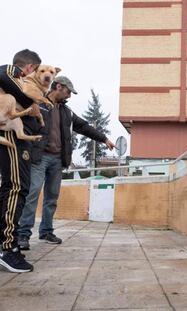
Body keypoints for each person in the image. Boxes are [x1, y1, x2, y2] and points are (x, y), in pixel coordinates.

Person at [17, 76, 115, 250]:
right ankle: (22, 234)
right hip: (38, 158)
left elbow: (84, 127)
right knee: (32, 194)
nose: (69, 96)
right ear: (59, 86)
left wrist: (104, 138)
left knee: (52, 198)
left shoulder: (67, 112)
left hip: (57, 160)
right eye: (68, 91)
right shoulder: (37, 104)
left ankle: (46, 231)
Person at [0, 49, 42, 273]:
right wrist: (30, 103)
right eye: (34, 71)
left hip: (18, 138)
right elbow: (3, 74)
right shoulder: (11, 72)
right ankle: (8, 248)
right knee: (17, 187)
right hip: (12, 137)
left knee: (11, 188)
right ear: (29, 67)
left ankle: (4, 244)